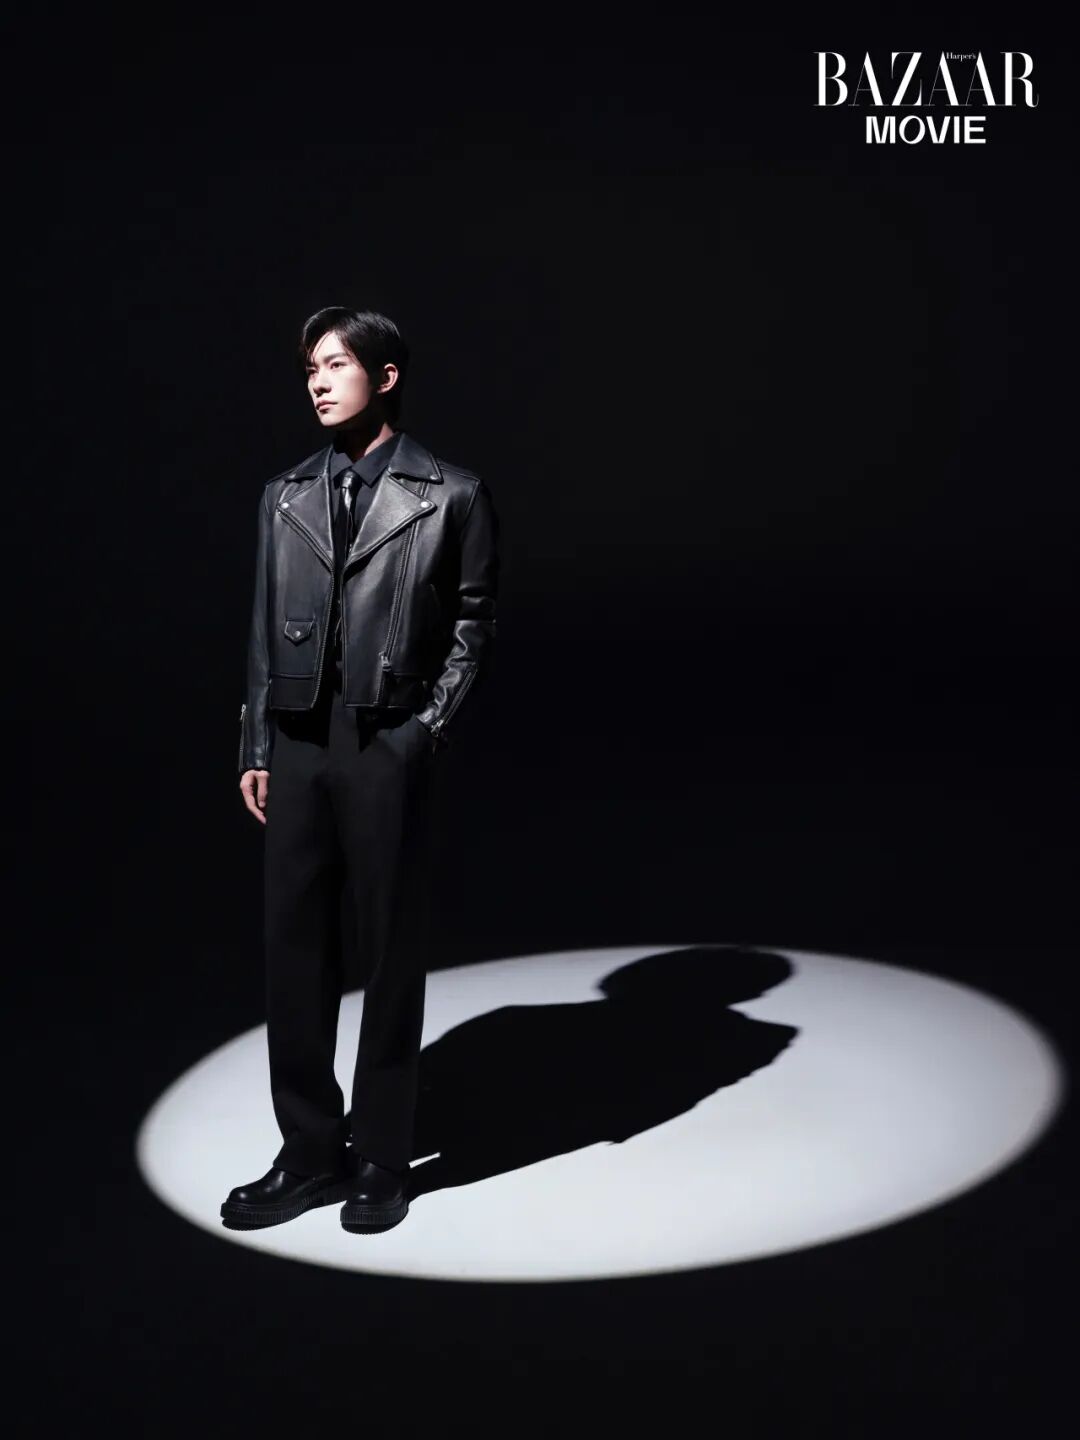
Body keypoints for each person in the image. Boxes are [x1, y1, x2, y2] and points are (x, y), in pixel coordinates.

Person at [220, 306, 499, 1235]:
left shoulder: (451, 494)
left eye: (336, 364)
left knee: (387, 952)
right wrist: (258, 743)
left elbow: (473, 624)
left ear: (385, 376)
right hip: (299, 739)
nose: (317, 381)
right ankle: (309, 1153)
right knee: (294, 950)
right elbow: (262, 627)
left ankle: (381, 1156)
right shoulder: (285, 495)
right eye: (310, 367)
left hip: (387, 739)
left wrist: (425, 730)